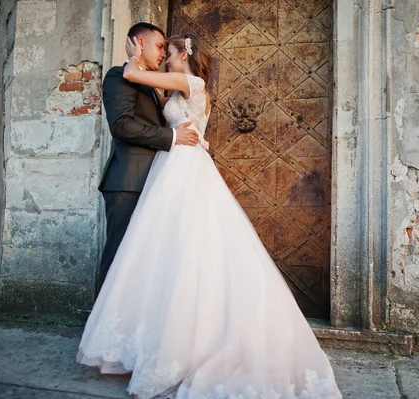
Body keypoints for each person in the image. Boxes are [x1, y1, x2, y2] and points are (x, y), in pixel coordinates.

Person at [77, 31, 343, 399]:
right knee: (169, 252)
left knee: (184, 250)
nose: (165, 58)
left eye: (168, 52)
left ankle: (181, 342)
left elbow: (134, 76)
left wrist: (134, 56)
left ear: (182, 56)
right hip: (173, 166)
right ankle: (154, 336)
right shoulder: (181, 88)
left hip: (181, 169)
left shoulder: (189, 81)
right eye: (160, 50)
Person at [97, 22, 200, 290]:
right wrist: (172, 136)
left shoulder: (149, 85)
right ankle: (102, 328)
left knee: (139, 261)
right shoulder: (118, 75)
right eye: (158, 46)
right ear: (139, 43)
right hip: (128, 181)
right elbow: (121, 125)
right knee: (118, 255)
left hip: (152, 182)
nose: (162, 54)